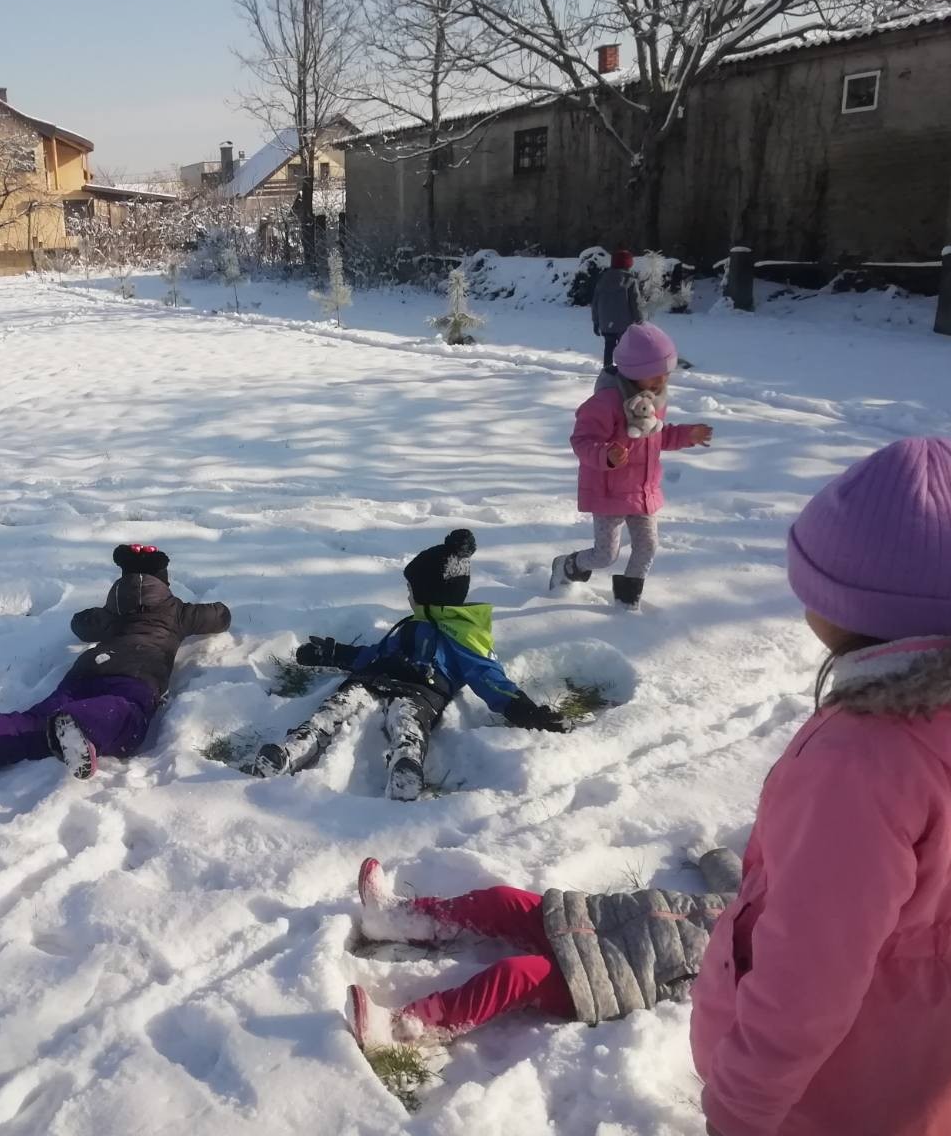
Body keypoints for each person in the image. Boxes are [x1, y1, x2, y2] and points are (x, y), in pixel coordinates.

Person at [690, 437, 951, 1136]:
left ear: (845, 606)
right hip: (932, 1030)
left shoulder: (857, 762)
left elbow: (812, 965)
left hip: (844, 1076)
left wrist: (745, 1096)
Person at [238, 530, 569, 801]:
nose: (408, 596)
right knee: (335, 707)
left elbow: (490, 679)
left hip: (421, 693)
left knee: (407, 724)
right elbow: (374, 654)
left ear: (430, 594)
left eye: (412, 590)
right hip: (372, 679)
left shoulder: (465, 638)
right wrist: (333, 653)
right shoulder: (412, 625)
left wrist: (528, 712)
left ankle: (407, 767)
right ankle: (290, 750)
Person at [347, 848, 743, 1046]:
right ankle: (398, 919)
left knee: (514, 976)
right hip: (591, 920)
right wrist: (715, 854)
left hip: (606, 975)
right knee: (502, 900)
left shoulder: (769, 967)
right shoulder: (761, 896)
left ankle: (403, 1028)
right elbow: (745, 874)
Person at [0, 544, 231, 782]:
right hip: (136, 673)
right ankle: (80, 724)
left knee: (33, 722)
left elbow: (80, 626)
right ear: (163, 580)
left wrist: (106, 614)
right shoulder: (177, 611)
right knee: (128, 714)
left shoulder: (112, 612)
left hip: (87, 670)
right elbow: (220, 616)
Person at [549, 324, 713, 609]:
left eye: (666, 372)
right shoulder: (605, 403)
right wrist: (606, 455)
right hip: (609, 493)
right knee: (605, 555)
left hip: (642, 491)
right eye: (654, 373)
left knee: (647, 546)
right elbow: (582, 441)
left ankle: (627, 603)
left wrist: (688, 435)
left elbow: (658, 437)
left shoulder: (654, 400)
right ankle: (566, 566)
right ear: (632, 372)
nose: (662, 379)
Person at [590, 248, 641, 371]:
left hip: (606, 322)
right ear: (628, 264)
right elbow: (635, 302)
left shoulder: (603, 279)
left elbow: (595, 302)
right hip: (624, 323)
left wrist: (596, 322)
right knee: (625, 348)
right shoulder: (630, 280)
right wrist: (639, 320)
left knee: (609, 346)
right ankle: (625, 371)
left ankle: (607, 370)